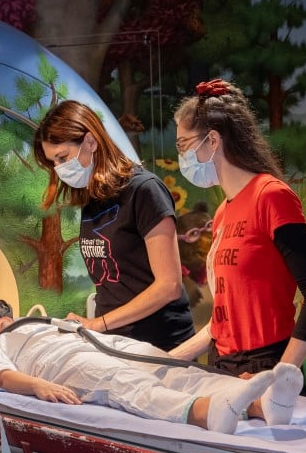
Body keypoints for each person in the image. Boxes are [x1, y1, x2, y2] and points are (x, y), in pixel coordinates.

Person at [168, 79, 306, 423]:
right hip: (222, 370)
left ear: (213, 140)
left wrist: (280, 382)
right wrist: (167, 361)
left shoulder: (271, 196)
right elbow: (223, 319)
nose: (180, 157)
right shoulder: (223, 211)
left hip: (265, 368)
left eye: (184, 145)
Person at [0, 303, 305, 434]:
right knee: (121, 382)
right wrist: (36, 386)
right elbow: (0, 377)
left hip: (105, 344)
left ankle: (263, 406)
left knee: (168, 366)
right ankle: (203, 413)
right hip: (65, 364)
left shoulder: (41, 321)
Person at [33, 100, 195, 350]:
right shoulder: (92, 200)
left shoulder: (144, 190)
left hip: (160, 344)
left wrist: (98, 324)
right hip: (114, 342)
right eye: (53, 162)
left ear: (90, 141)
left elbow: (169, 286)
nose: (59, 169)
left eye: (62, 157)